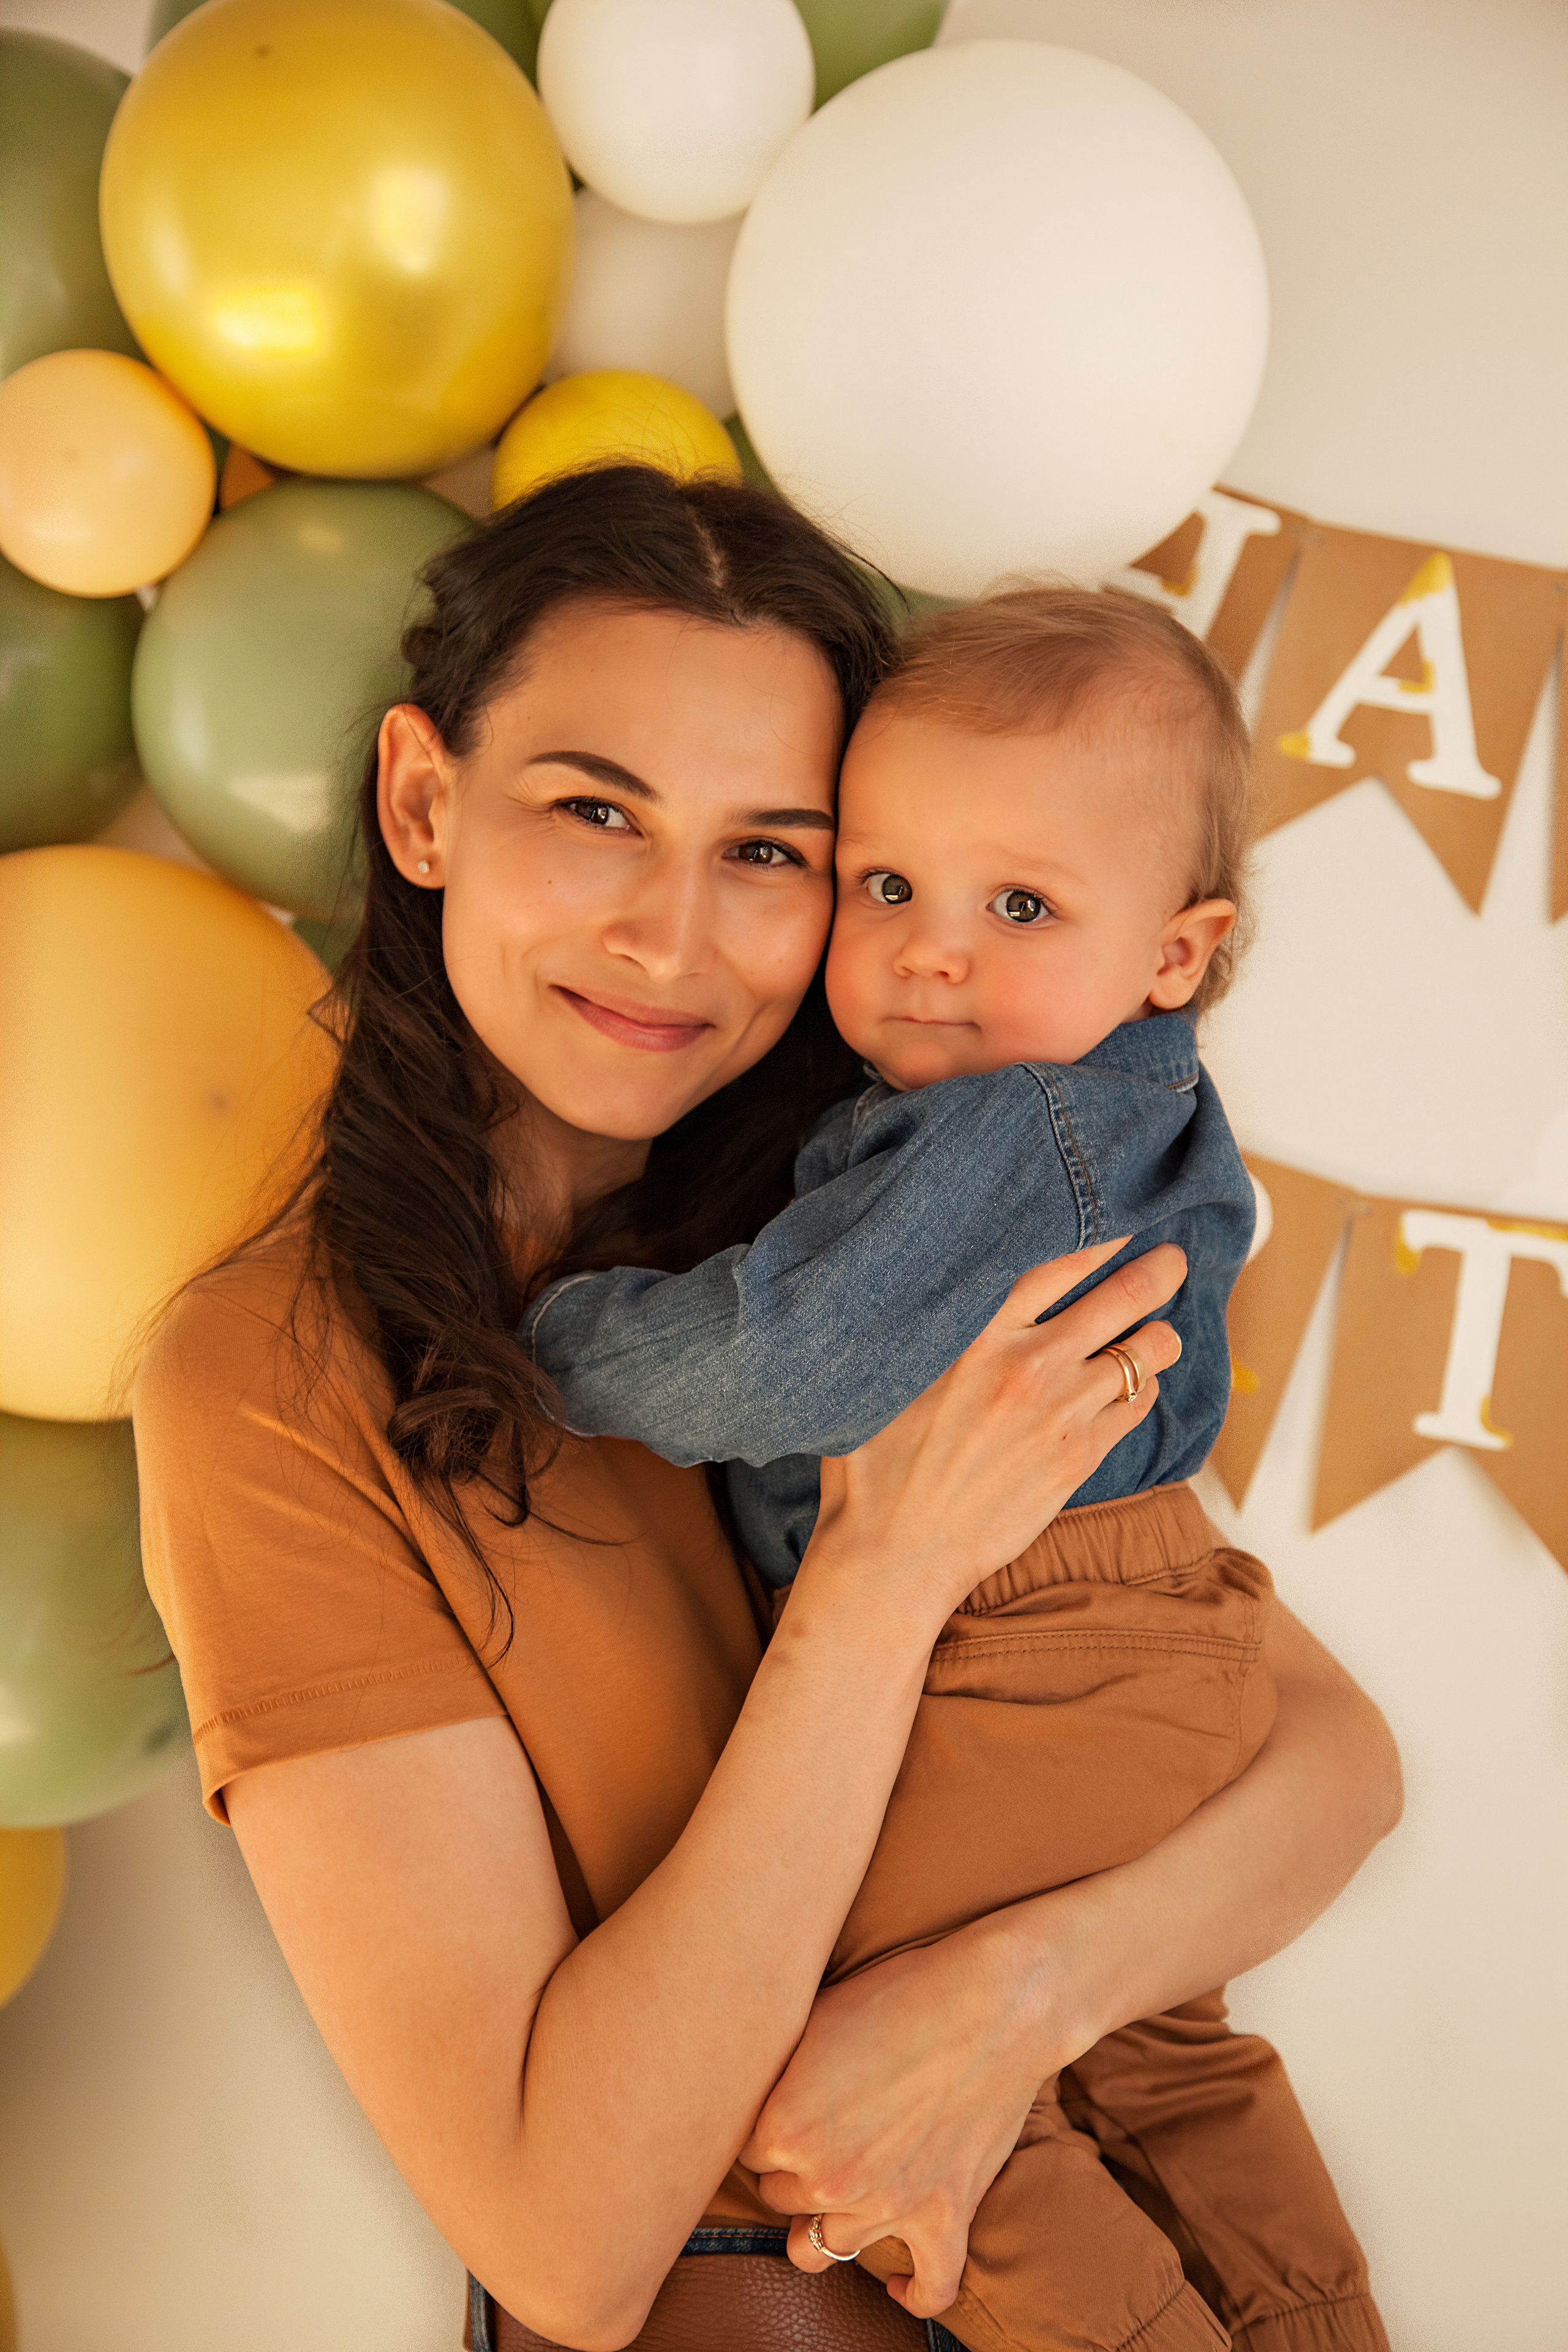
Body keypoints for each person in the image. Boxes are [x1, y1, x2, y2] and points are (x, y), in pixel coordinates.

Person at [132, 469, 1402, 2352]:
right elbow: (565, 2241)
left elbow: (1328, 1762)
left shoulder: (866, 1214)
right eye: (592, 813)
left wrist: (1011, 2006)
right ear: (424, 803)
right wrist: (883, 1580)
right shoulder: (276, 1381)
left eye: (772, 852)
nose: (674, 934)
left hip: (1101, 2177)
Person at [521, 584, 1390, 2352]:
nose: (930, 949)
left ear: (1177, 953)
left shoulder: (1021, 1125)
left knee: (897, 2097)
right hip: (1139, 1637)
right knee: (1166, 2067)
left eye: (1019, 905)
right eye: (887, 885)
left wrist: (539, 1342)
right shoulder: (1107, 1109)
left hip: (1024, 1654)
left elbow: (787, 1352)